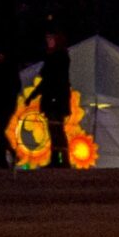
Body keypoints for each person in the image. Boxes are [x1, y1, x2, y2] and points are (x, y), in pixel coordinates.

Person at [38, 30, 72, 169]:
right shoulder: (51, 56)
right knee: (53, 130)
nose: (48, 41)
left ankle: (63, 160)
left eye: (51, 38)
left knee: (58, 129)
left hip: (57, 99)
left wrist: (53, 97)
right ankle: (55, 159)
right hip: (51, 98)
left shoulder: (60, 56)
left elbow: (54, 78)